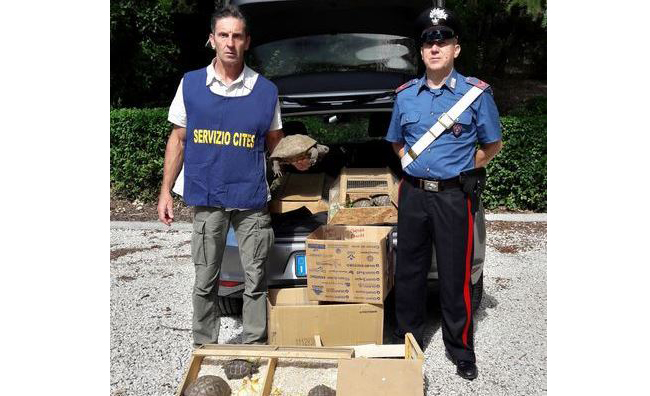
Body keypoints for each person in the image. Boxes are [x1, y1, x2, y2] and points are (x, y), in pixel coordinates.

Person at [157, 5, 307, 346]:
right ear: (212, 40)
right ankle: (205, 346)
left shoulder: (266, 91)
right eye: (223, 35)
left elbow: (275, 144)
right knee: (206, 277)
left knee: (256, 277)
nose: (230, 42)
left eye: (237, 36)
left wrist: (297, 159)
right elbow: (178, 139)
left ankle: (253, 343)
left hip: (251, 198)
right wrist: (166, 191)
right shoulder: (191, 84)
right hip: (207, 196)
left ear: (247, 41)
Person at [384, 5, 503, 380]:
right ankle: (408, 341)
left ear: (456, 48)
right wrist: (412, 165)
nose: (435, 47)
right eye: (428, 42)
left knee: (455, 275)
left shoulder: (475, 94)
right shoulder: (405, 95)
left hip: (454, 196)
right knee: (410, 272)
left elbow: (492, 143)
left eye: (443, 40)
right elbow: (396, 142)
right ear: (420, 52)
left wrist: (468, 168)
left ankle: (461, 348)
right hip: (415, 194)